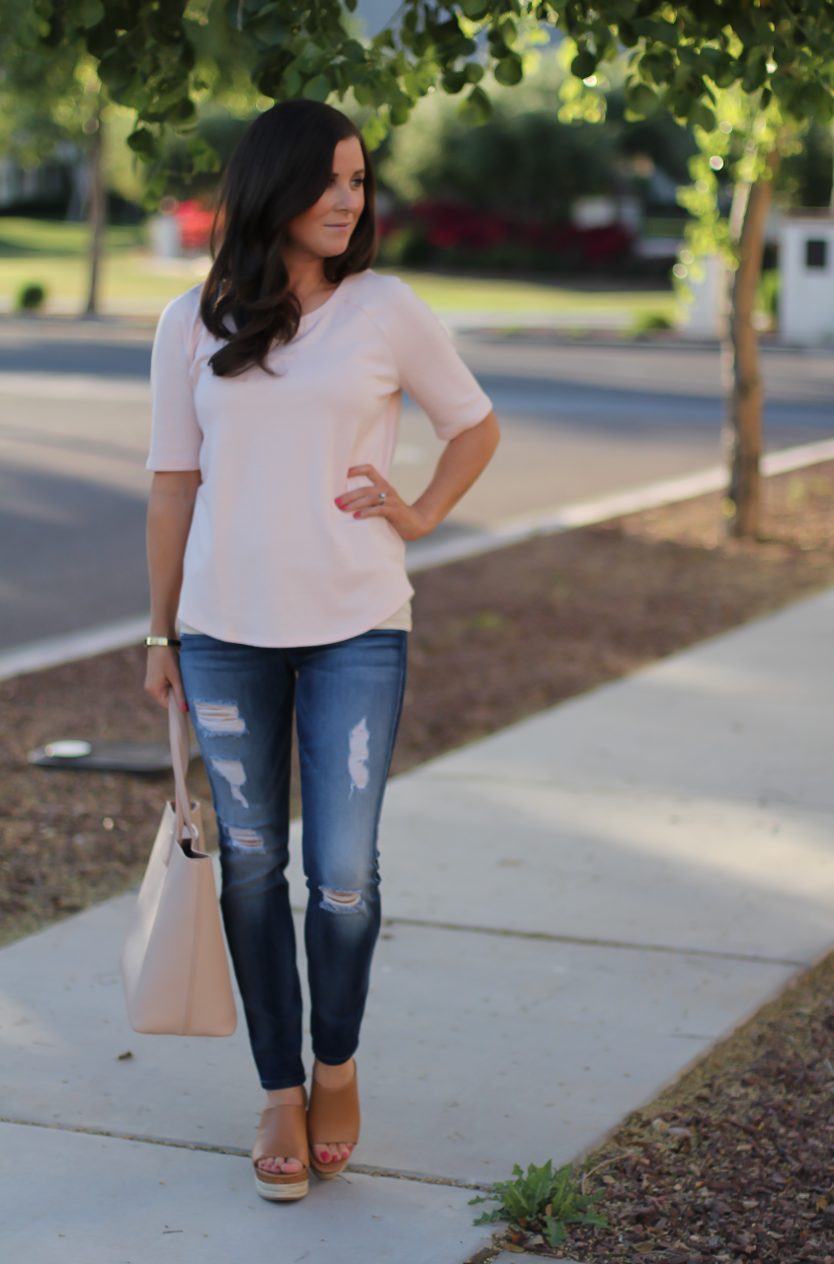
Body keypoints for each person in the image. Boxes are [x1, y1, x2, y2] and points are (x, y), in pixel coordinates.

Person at [144, 99, 499, 1203]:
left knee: (341, 877)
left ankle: (334, 1067)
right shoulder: (192, 319)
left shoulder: (386, 309)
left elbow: (474, 424)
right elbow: (173, 482)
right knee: (252, 869)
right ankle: (278, 1092)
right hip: (223, 636)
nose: (351, 198)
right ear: (275, 185)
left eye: (360, 179)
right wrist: (159, 628)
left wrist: (425, 511)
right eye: (330, 179)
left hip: (355, 627)